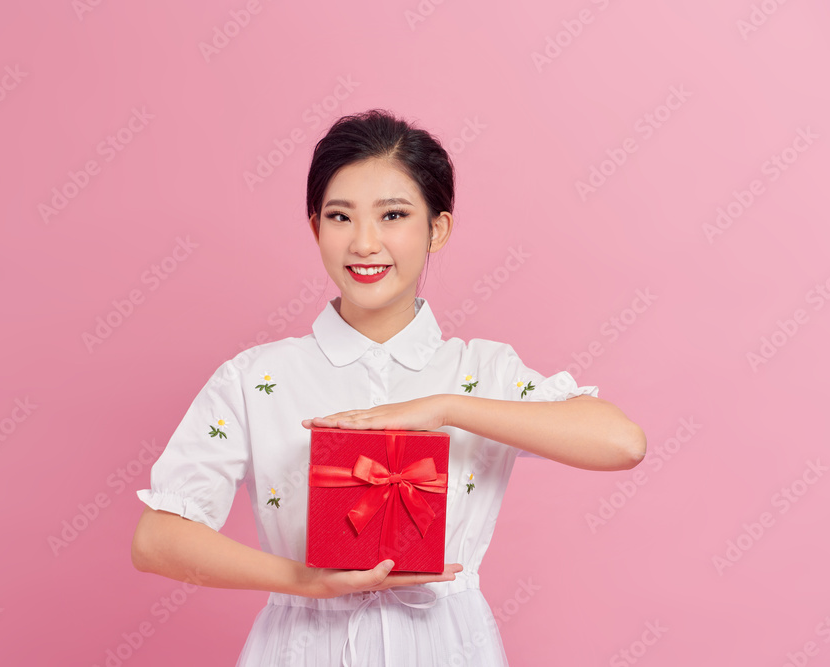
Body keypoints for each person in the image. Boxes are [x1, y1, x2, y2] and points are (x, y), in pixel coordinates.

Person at [131, 108, 646, 666]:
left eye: (393, 215)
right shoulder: (257, 378)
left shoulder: (482, 372)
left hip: (448, 647)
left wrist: (444, 407)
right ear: (315, 228)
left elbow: (622, 443)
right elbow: (156, 541)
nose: (364, 243)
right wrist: (304, 580)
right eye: (340, 217)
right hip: (303, 647)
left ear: (437, 229)